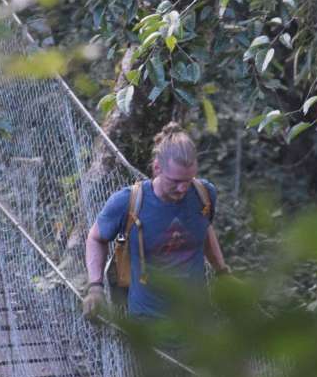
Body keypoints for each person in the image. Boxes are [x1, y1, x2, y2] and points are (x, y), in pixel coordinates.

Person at [83, 122, 229, 318]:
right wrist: (95, 287)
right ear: (157, 167)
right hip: (147, 324)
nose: (183, 189)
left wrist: (223, 272)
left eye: (189, 180)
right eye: (175, 181)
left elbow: (205, 229)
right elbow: (95, 238)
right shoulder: (128, 202)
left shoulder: (204, 194)